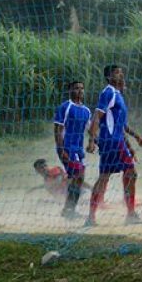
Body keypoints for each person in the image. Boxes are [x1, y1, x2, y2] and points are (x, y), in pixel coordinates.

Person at [85, 64, 142, 226]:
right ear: (109, 76)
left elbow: (122, 126)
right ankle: (131, 214)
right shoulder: (108, 92)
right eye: (117, 72)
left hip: (114, 141)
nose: (121, 74)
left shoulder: (118, 95)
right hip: (112, 141)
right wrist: (91, 140)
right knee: (130, 173)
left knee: (106, 177)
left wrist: (136, 139)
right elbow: (97, 116)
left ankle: (91, 218)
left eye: (121, 72)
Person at [53, 80, 92, 218]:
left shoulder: (86, 110)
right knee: (78, 176)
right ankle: (69, 210)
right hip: (67, 147)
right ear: (70, 90)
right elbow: (58, 129)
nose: (80, 91)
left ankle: (69, 209)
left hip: (79, 150)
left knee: (79, 179)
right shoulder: (65, 107)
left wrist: (94, 143)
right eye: (76, 88)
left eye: (82, 88)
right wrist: (61, 149)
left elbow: (90, 130)